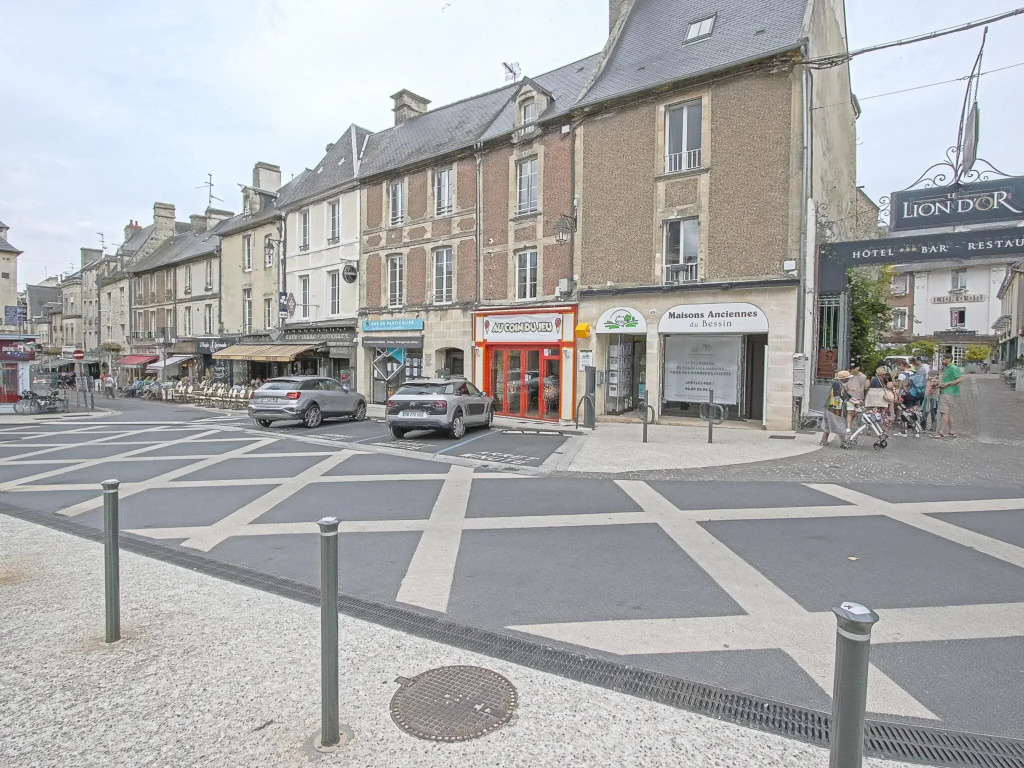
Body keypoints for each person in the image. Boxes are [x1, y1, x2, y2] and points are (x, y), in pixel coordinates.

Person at [820, 369, 854, 447]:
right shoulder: (837, 384)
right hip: (834, 407)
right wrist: (853, 400)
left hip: (829, 406)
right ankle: (843, 442)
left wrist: (852, 399)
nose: (849, 379)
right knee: (840, 423)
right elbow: (841, 395)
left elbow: (844, 394)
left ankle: (824, 441)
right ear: (844, 379)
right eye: (848, 378)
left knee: (828, 424)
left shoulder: (839, 384)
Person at [935, 352, 963, 438]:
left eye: (944, 359)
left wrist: (947, 384)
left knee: (944, 412)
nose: (942, 360)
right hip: (946, 392)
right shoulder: (946, 368)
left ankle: (942, 431)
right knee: (948, 413)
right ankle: (952, 430)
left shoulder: (953, 368)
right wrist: (939, 384)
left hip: (948, 392)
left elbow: (960, 379)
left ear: (949, 359)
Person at [845, 363, 868, 430]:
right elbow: (844, 386)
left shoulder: (863, 377)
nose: (852, 370)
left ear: (858, 368)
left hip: (859, 397)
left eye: (853, 368)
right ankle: (848, 427)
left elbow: (866, 387)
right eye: (851, 369)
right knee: (850, 412)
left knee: (856, 413)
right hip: (850, 397)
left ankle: (851, 425)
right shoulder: (848, 376)